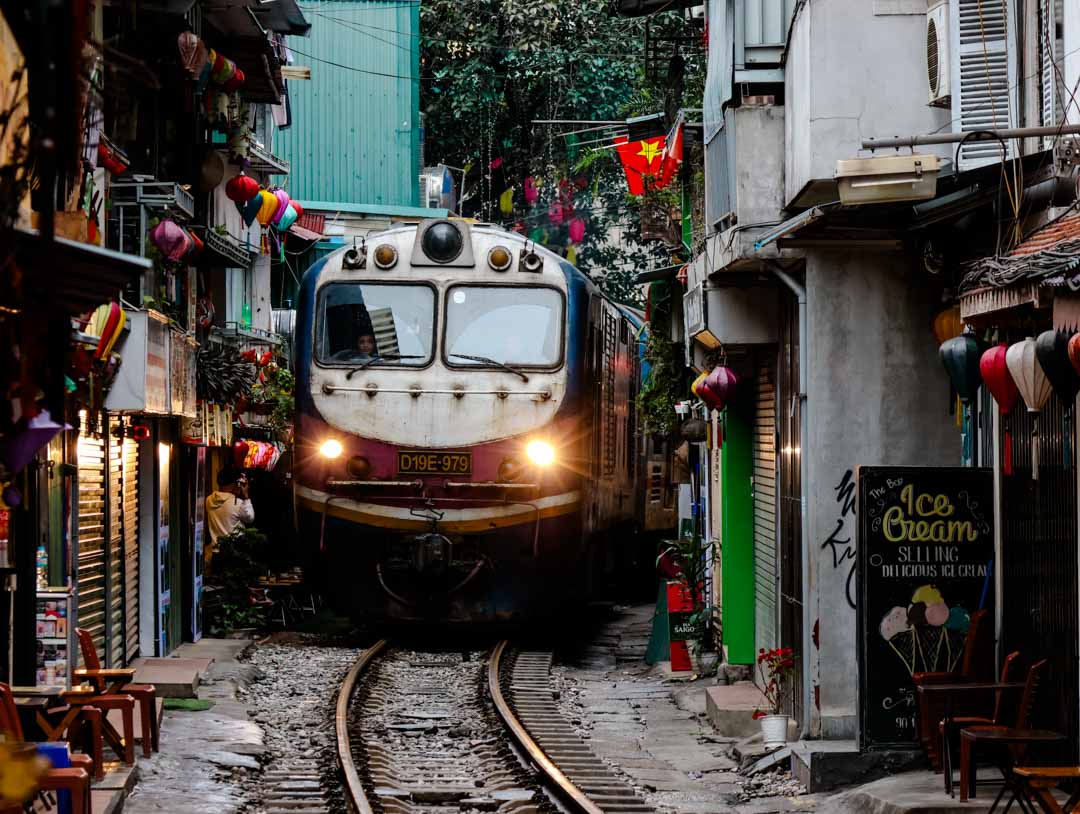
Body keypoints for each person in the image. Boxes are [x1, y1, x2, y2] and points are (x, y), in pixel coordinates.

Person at [205, 466, 255, 573]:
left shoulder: (209, 500)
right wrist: (246, 496)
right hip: (234, 553)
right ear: (236, 483)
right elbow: (250, 518)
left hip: (216, 552)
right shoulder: (237, 503)